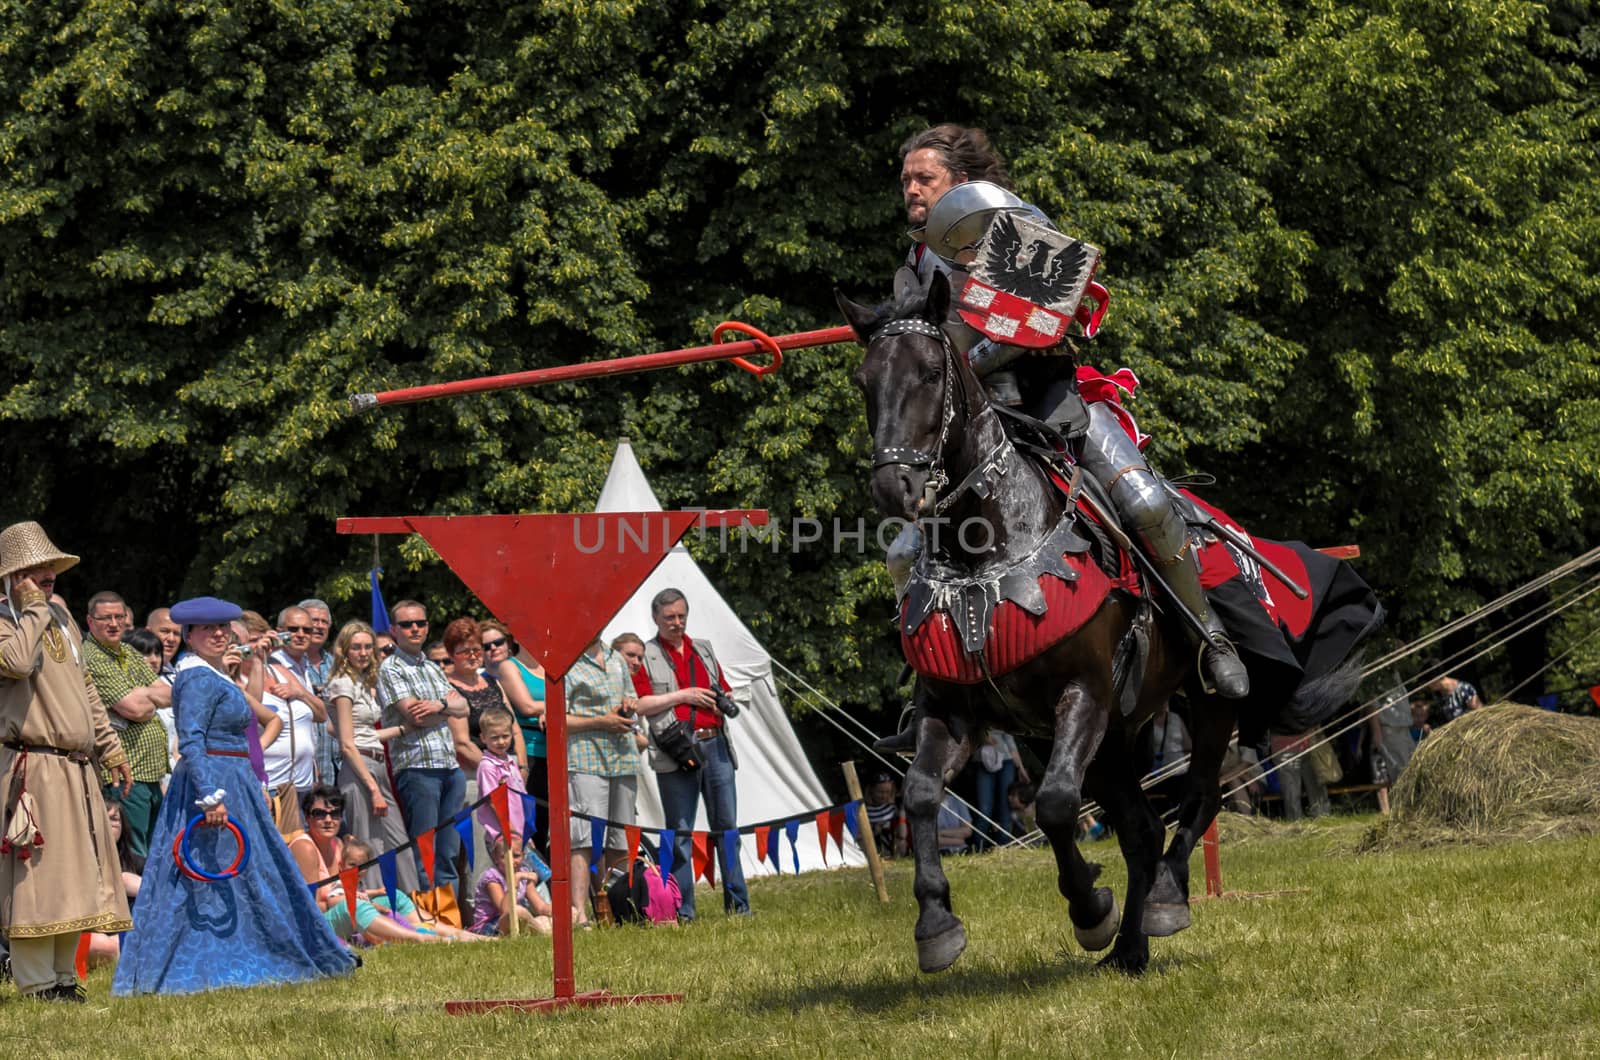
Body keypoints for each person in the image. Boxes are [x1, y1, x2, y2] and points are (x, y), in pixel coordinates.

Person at [890, 123, 1249, 699]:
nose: (910, 188)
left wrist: (961, 365)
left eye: (923, 177)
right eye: (905, 179)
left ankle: (1210, 637)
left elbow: (1034, 327)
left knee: (1146, 502)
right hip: (972, 426)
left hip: (1049, 402)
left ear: (960, 181)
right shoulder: (915, 262)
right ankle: (932, 689)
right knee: (906, 550)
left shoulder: (1018, 226)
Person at [113, 596, 355, 995]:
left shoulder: (214, 674)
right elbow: (191, 741)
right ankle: (214, 958)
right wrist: (210, 796)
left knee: (252, 873)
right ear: (190, 636)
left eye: (223, 627)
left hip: (235, 780)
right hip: (211, 784)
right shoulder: (195, 678)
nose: (218, 633)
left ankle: (258, 948)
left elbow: (258, 723)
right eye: (208, 628)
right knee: (210, 875)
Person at [0, 522, 133, 1002]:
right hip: (30, 764)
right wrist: (32, 610)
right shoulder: (5, 620)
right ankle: (36, 984)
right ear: (15, 576)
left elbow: (86, 689)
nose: (48, 578)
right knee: (37, 878)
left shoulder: (61, 619)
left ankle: (62, 979)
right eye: (36, 572)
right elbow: (15, 663)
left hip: (76, 765)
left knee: (75, 875)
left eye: (51, 570)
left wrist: (109, 745)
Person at [629, 588, 749, 920]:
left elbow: (721, 688)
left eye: (681, 616)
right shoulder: (646, 654)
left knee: (727, 828)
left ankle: (738, 906)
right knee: (679, 831)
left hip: (716, 744)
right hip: (676, 749)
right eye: (670, 617)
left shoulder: (703, 649)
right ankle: (683, 911)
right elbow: (640, 703)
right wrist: (686, 696)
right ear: (656, 618)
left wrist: (722, 697)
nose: (677, 623)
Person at [377, 600, 468, 893]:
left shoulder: (432, 666)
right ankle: (429, 920)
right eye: (406, 624)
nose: (414, 629)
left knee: (448, 850)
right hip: (417, 768)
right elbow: (414, 714)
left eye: (420, 623)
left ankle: (450, 917)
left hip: (449, 766)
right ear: (393, 630)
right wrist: (447, 708)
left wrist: (440, 705)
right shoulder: (391, 668)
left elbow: (464, 707)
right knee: (424, 848)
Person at [289, 785, 457, 944]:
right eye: (319, 814)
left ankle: (456, 933)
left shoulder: (338, 844)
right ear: (307, 816)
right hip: (313, 925)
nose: (328, 820)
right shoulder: (305, 848)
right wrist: (355, 900)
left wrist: (365, 898)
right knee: (356, 907)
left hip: (342, 911)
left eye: (335, 814)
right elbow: (314, 906)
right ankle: (419, 938)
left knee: (394, 897)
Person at [327, 620, 418, 895]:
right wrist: (372, 788)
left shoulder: (363, 684)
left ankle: (413, 905)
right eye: (356, 647)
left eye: (368, 647)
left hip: (376, 763)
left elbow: (364, 733)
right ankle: (373, 913)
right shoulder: (342, 684)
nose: (364, 652)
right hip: (358, 770)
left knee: (398, 840)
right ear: (344, 650)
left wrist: (403, 729)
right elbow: (346, 743)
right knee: (367, 845)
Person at [82, 589, 172, 858]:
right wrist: (143, 697)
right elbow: (133, 708)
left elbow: (167, 693)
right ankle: (134, 903)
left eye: (119, 617)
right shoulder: (92, 656)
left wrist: (143, 696)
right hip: (124, 774)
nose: (113, 623)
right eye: (105, 618)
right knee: (134, 856)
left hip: (151, 774)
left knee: (157, 853)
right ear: (89, 621)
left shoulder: (129, 652)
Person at [565, 636, 643, 925]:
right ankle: (579, 914)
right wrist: (601, 722)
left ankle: (621, 909)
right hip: (586, 759)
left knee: (621, 840)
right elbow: (557, 718)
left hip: (623, 756)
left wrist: (629, 706)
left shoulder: (616, 659)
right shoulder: (566, 661)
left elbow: (631, 697)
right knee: (584, 840)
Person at [482, 619, 549, 852]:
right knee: (532, 823)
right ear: (516, 638)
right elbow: (527, 707)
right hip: (531, 750)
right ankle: (530, 880)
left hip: (556, 750)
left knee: (551, 822)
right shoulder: (509, 666)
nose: (492, 648)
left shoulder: (550, 665)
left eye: (497, 642)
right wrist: (552, 708)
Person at [84, 792, 146, 968]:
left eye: (114, 819)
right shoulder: (78, 862)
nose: (109, 824)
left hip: (128, 930)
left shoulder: (134, 861)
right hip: (90, 931)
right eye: (104, 818)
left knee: (130, 880)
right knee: (102, 945)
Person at [471, 834, 555, 937]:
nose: (510, 861)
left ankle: (540, 930)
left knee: (546, 918)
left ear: (523, 856)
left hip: (514, 921)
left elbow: (541, 907)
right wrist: (514, 881)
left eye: (516, 856)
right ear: (495, 858)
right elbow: (506, 910)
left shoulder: (524, 872)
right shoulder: (492, 878)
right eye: (504, 856)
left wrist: (561, 911)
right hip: (490, 926)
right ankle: (542, 933)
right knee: (518, 912)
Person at [972, 728, 1029, 849]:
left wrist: (1020, 768)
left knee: (1005, 806)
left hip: (1006, 761)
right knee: (984, 809)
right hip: (983, 759)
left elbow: (1009, 739)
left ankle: (1003, 848)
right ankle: (977, 848)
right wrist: (981, 738)